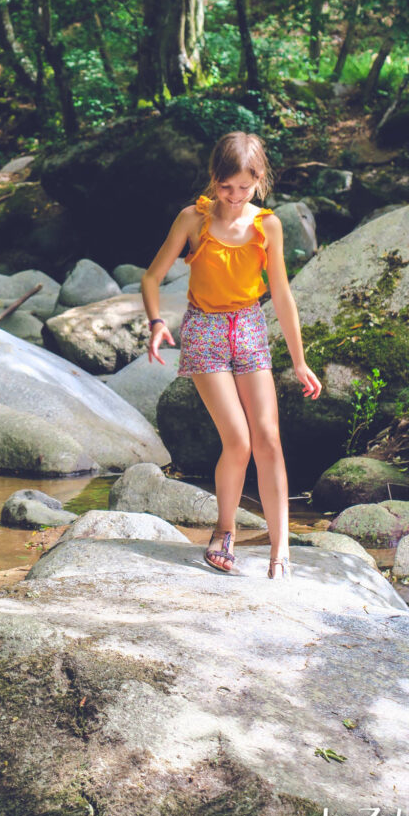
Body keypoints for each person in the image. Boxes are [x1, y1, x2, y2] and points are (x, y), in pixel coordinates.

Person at [140, 131, 322, 580]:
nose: (235, 196)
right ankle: (225, 533)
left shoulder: (268, 226)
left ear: (259, 181)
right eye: (226, 187)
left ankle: (281, 550)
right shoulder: (192, 220)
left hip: (250, 328)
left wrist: (299, 361)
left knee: (269, 438)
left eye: (245, 187)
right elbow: (150, 278)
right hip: (204, 330)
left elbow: (281, 294)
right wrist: (157, 323)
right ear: (213, 180)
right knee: (238, 440)